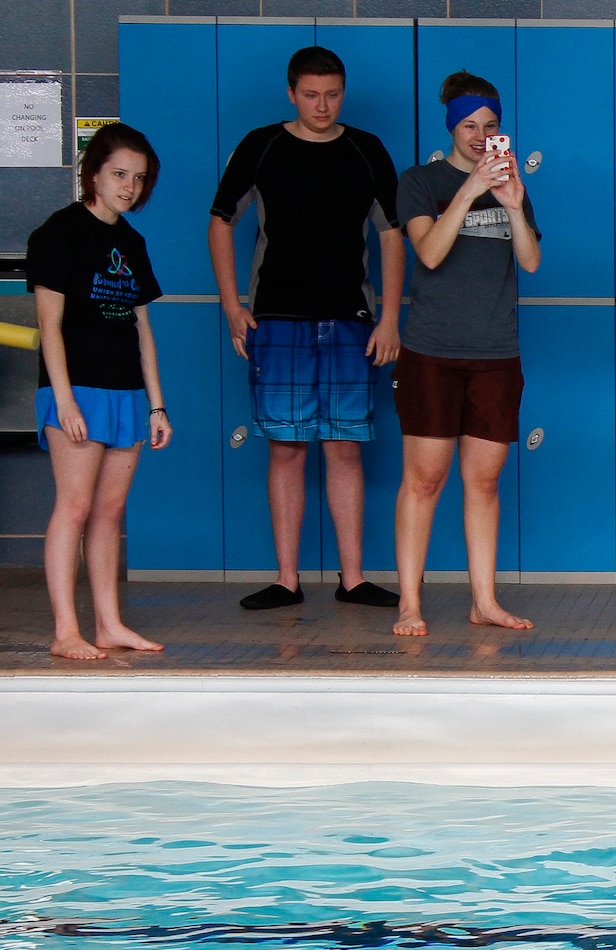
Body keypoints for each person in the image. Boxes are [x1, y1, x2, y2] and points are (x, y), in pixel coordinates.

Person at [209, 45, 404, 612]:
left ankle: (353, 578)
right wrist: (231, 306)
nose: (323, 105)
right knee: (287, 448)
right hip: (279, 318)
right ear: (291, 93)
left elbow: (393, 234)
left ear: (344, 92)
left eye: (334, 94)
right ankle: (287, 580)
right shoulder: (261, 145)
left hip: (350, 319)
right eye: (312, 95)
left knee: (345, 448)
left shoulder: (367, 150)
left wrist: (390, 316)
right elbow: (221, 221)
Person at [389, 72, 541, 638]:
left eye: (491, 126)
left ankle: (484, 600)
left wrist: (514, 203)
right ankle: (410, 602)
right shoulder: (421, 182)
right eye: (471, 126)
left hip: (496, 354)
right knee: (424, 479)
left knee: (483, 483)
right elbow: (428, 252)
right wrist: (472, 189)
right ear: (452, 126)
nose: (481, 136)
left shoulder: (510, 184)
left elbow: (529, 262)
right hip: (431, 352)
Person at [29, 124, 171, 660]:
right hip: (78, 389)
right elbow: (50, 325)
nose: (128, 187)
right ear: (93, 171)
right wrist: (64, 401)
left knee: (110, 510)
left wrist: (156, 404)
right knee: (75, 505)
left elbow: (141, 328)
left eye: (138, 179)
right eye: (118, 175)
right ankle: (66, 629)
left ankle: (109, 623)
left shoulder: (131, 241)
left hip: (126, 392)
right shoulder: (59, 232)